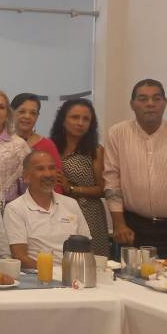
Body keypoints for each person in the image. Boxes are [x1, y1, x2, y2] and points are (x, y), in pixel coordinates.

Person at [104, 79, 167, 258]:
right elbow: (112, 181)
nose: (150, 104)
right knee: (132, 276)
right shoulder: (117, 134)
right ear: (132, 104)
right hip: (134, 228)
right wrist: (119, 224)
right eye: (143, 99)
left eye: (156, 98)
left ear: (165, 103)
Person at [4, 150, 91, 268]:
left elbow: (86, 247)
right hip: (36, 276)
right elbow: (20, 257)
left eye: (52, 168)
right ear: (26, 177)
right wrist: (52, 273)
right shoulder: (14, 209)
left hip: (74, 273)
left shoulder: (71, 204)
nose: (48, 174)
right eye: (40, 169)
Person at [49, 98, 109, 257]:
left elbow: (103, 189)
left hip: (88, 213)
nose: (80, 123)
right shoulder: (50, 147)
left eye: (86, 119)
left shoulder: (95, 150)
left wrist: (71, 188)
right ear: (63, 120)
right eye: (75, 117)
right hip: (55, 212)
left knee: (90, 260)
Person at [10, 93, 62, 194]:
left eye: (33, 113)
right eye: (22, 111)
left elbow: (57, 182)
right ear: (11, 112)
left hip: (40, 200)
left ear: (37, 116)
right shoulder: (2, 142)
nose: (27, 116)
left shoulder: (47, 145)